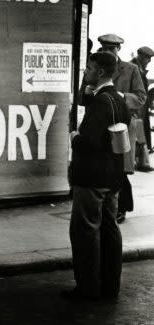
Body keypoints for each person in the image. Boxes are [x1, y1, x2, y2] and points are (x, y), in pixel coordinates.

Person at [64, 51, 130, 300]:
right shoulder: (118, 100)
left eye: (89, 69)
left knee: (85, 233)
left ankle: (87, 288)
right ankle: (110, 286)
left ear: (100, 72)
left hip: (91, 179)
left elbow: (89, 142)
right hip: (113, 178)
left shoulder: (101, 102)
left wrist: (74, 137)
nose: (86, 73)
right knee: (109, 230)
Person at [80, 34, 147, 223]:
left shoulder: (131, 69)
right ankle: (110, 209)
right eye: (105, 47)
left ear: (119, 49)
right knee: (106, 167)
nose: (109, 51)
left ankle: (122, 208)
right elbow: (82, 96)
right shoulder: (96, 66)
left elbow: (141, 98)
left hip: (122, 126)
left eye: (113, 48)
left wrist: (121, 96)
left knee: (121, 169)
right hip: (100, 124)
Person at [131, 46, 154, 165]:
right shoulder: (133, 68)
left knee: (140, 135)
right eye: (148, 58)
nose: (149, 61)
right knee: (138, 135)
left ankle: (140, 161)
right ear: (140, 56)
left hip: (141, 108)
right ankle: (141, 162)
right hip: (136, 108)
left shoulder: (140, 68)